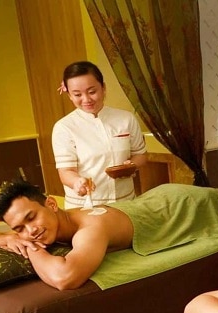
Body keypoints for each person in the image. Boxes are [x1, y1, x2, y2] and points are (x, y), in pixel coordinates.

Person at [0, 180, 135, 290]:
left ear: (52, 204)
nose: (31, 231)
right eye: (19, 229)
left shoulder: (91, 227)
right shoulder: (35, 228)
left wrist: (31, 248)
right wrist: (9, 238)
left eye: (31, 217)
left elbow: (64, 278)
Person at [52, 60, 147, 209]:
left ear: (103, 88)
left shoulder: (126, 119)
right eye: (77, 94)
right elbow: (66, 172)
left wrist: (131, 166)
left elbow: (141, 155)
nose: (86, 99)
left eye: (92, 92)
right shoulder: (64, 127)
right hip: (86, 206)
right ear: (69, 95)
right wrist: (77, 182)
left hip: (125, 202)